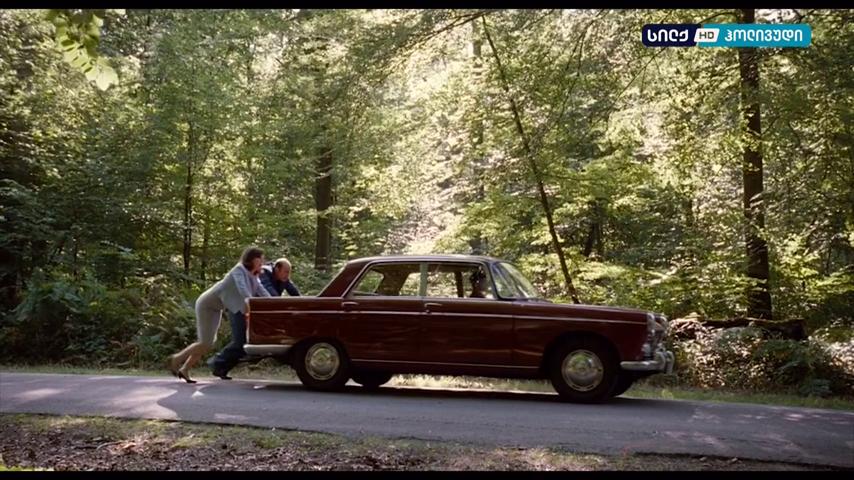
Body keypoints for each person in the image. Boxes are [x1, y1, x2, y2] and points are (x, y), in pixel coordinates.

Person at [167, 246, 271, 383]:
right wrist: (251, 301)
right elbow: (242, 289)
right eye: (260, 259)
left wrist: (275, 302)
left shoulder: (254, 275)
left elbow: (263, 292)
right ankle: (176, 359)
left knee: (208, 343)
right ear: (252, 259)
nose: (262, 262)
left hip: (216, 308)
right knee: (205, 342)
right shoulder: (238, 270)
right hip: (206, 304)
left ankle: (185, 369)